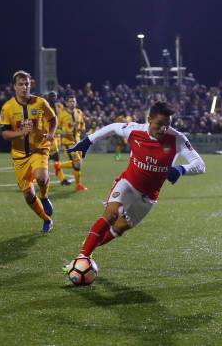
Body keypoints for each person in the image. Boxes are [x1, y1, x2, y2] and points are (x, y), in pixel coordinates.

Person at [66, 101, 205, 259]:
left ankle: (85, 255)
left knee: (119, 228)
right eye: (159, 124)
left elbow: (200, 165)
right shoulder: (134, 130)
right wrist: (88, 141)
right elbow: (112, 127)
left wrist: (181, 169)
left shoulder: (177, 139)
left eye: (167, 125)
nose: (163, 129)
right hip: (128, 184)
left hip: (149, 196)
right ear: (149, 119)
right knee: (111, 214)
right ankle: (82, 258)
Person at [0, 70, 57, 233]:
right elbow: (4, 134)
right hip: (19, 156)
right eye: (21, 84)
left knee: (41, 177)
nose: (24, 87)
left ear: (31, 85)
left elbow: (53, 120)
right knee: (29, 195)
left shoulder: (40, 103)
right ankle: (47, 220)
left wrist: (51, 133)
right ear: (15, 87)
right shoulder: (8, 108)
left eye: (27, 84)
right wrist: (20, 133)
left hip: (39, 149)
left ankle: (44, 196)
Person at [57, 95, 87, 191]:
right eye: (70, 101)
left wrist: (82, 130)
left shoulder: (79, 112)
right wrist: (62, 133)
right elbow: (55, 129)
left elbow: (82, 125)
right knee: (77, 163)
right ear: (67, 103)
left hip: (78, 142)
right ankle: (78, 185)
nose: (72, 103)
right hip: (68, 143)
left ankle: (78, 184)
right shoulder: (62, 114)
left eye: (74, 101)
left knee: (79, 165)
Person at [46, 91, 72, 186]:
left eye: (55, 96)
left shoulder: (59, 107)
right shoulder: (45, 107)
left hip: (55, 137)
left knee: (55, 159)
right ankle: (34, 179)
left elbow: (60, 120)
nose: (53, 98)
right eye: (51, 96)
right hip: (47, 136)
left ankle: (62, 179)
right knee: (46, 160)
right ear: (48, 98)